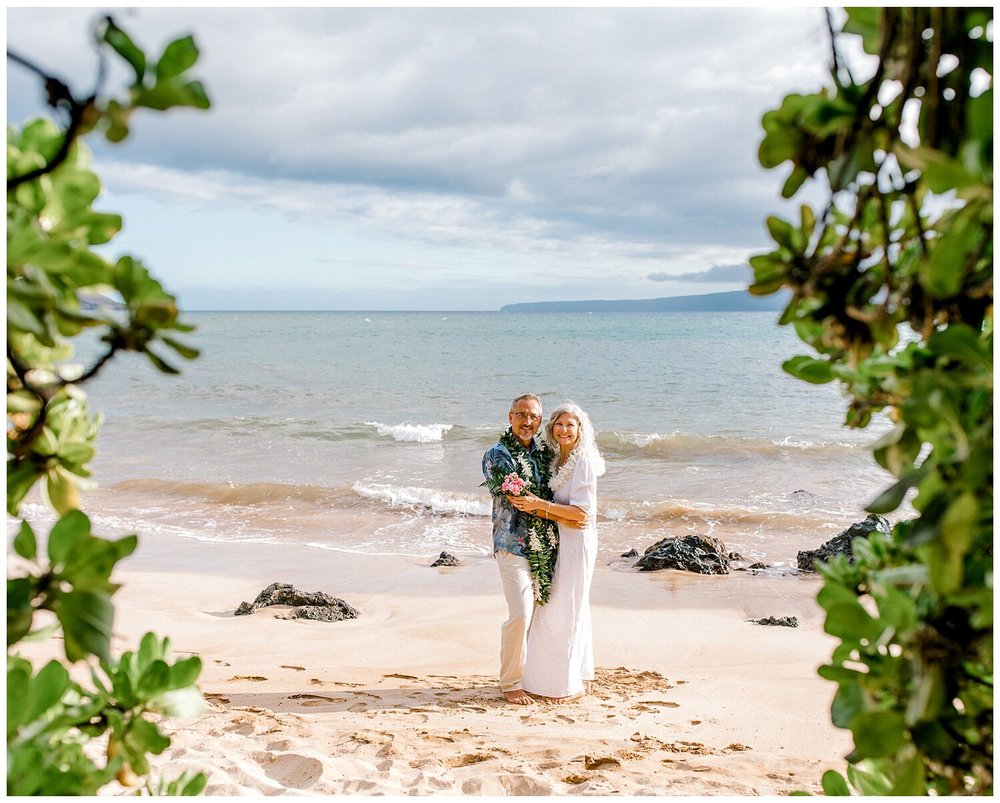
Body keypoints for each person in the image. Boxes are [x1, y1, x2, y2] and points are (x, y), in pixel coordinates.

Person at [508, 401, 605, 701]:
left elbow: (581, 515)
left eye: (570, 425)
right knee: (567, 606)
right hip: (560, 539)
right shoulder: (557, 461)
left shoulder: (584, 462)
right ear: (551, 428)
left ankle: (562, 686)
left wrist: (539, 506)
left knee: (564, 607)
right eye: (559, 424)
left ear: (580, 430)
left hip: (577, 541)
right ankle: (578, 674)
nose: (564, 430)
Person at [481, 394, 554, 705]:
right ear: (510, 417)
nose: (528, 422)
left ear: (540, 421)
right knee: (522, 613)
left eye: (534, 417)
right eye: (521, 415)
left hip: (545, 544)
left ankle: (529, 673)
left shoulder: (544, 454)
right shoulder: (496, 455)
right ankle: (510, 682)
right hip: (511, 543)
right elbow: (521, 498)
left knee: (531, 613)